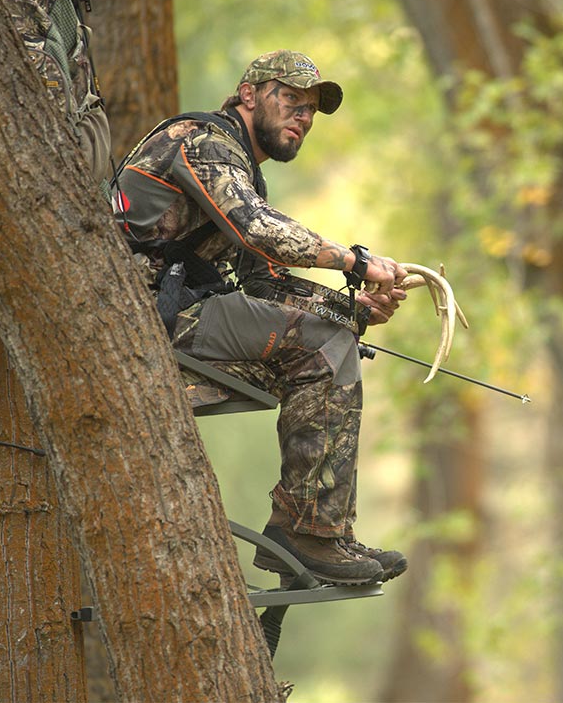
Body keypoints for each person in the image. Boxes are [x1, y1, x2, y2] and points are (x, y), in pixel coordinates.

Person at [113, 50, 408, 586]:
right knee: (321, 345)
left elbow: (263, 283)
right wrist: (355, 261)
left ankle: (322, 534)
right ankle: (305, 533)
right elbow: (257, 228)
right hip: (141, 315)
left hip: (176, 313)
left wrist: (352, 309)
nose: (302, 116)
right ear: (249, 95)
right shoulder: (201, 142)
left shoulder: (241, 171)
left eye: (311, 110)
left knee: (327, 345)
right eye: (290, 99)